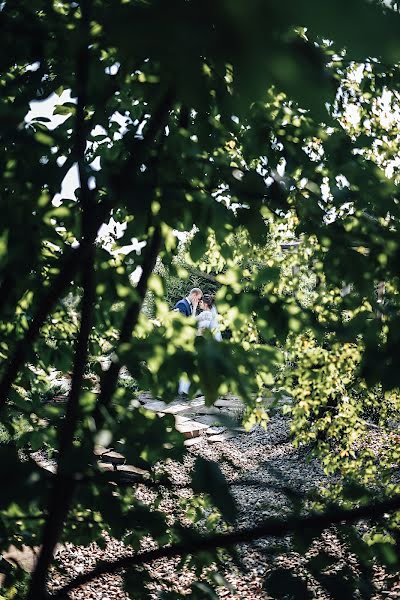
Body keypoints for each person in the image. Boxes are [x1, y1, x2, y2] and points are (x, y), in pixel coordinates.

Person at [174, 288, 203, 396]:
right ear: (195, 295)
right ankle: (181, 390)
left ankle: (184, 389)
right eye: (198, 298)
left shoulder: (189, 305)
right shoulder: (182, 304)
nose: (199, 301)